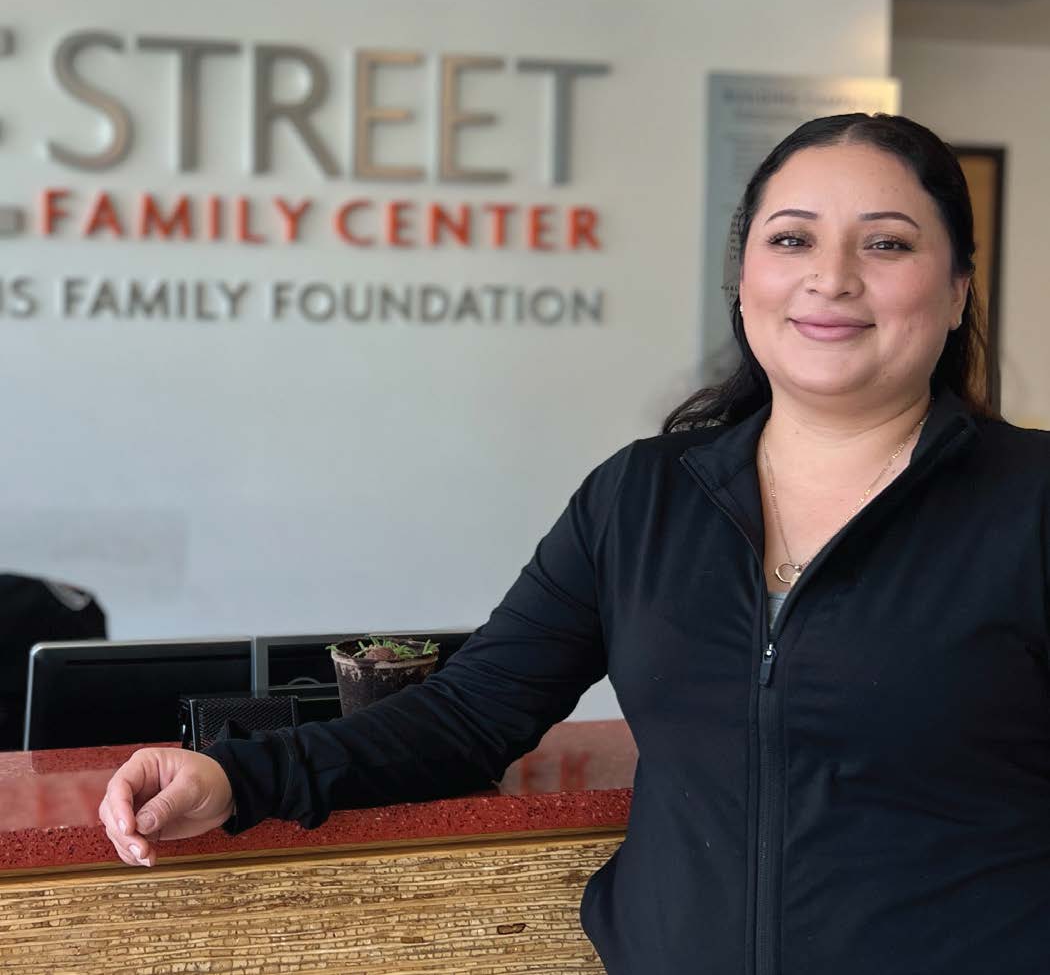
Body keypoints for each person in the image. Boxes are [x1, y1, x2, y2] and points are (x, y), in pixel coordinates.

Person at [98, 112, 1050, 974]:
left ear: (959, 288)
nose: (831, 276)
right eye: (792, 237)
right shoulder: (640, 498)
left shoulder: (1030, 502)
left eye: (886, 243)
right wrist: (235, 774)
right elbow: (471, 716)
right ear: (745, 279)